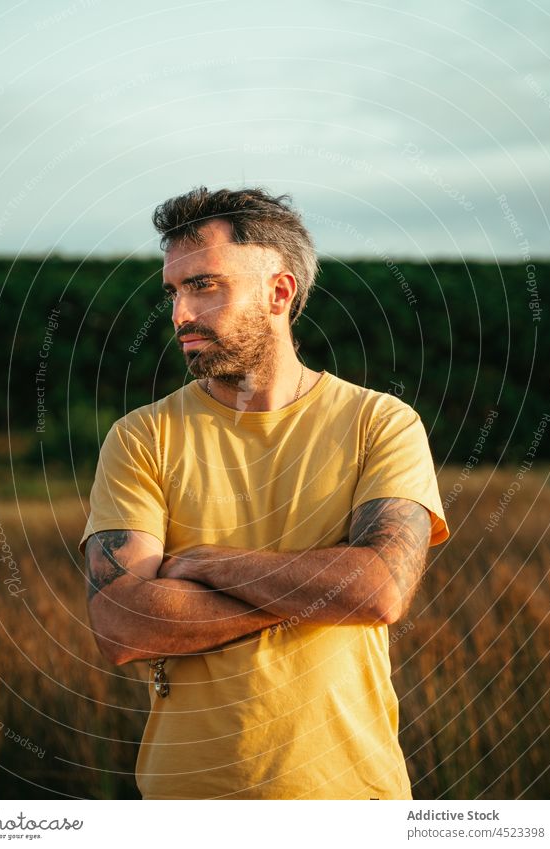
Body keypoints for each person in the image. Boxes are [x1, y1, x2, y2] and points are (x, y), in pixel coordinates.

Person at [78, 186, 449, 800]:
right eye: (174, 291)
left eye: (205, 285)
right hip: (187, 804)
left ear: (279, 293)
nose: (179, 315)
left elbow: (382, 587)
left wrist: (204, 563)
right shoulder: (142, 436)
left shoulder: (379, 424)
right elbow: (123, 624)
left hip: (352, 800)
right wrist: (330, 589)